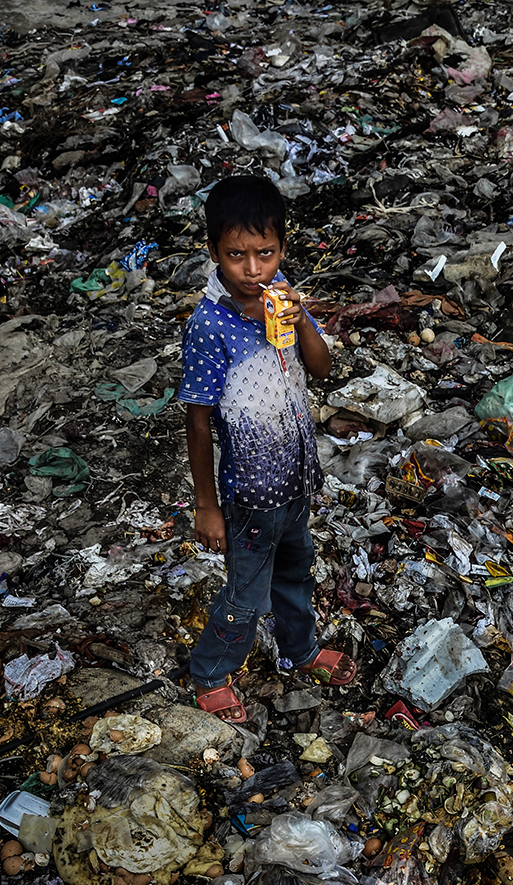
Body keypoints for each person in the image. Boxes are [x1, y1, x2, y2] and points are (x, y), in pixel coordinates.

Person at [177, 174, 356, 722]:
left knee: (296, 566)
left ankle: (298, 650)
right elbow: (199, 422)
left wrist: (300, 319)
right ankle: (209, 669)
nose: (253, 270)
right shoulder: (210, 326)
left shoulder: (284, 303)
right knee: (247, 590)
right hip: (251, 489)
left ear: (282, 248)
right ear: (214, 253)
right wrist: (206, 505)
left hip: (296, 477)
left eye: (265, 254)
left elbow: (323, 370)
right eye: (236, 256)